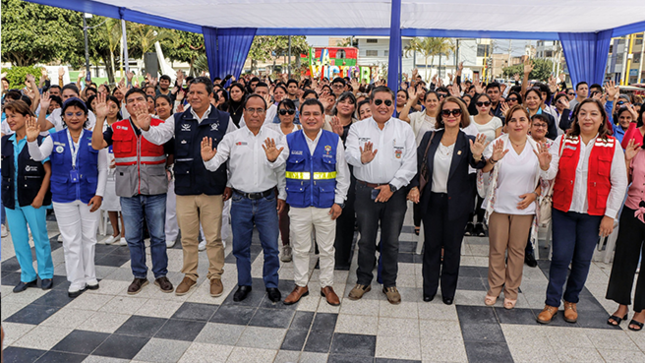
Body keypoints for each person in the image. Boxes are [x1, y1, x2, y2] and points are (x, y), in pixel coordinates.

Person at [140, 77, 237, 298]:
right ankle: (190, 275)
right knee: (188, 237)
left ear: (210, 96)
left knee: (213, 238)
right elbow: (159, 136)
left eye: (199, 93)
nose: (194, 96)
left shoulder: (223, 119)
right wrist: (146, 127)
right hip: (185, 186)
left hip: (213, 186)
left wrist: (230, 182)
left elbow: (233, 153)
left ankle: (215, 276)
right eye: (191, 92)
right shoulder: (178, 118)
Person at [537, 99, 628, 324]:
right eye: (583, 113)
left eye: (593, 114)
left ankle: (571, 302)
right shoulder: (563, 140)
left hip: (594, 214)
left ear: (601, 118)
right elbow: (550, 176)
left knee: (582, 260)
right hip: (564, 209)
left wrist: (610, 215)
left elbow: (619, 183)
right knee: (559, 258)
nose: (588, 118)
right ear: (576, 116)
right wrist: (546, 165)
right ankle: (551, 303)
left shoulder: (612, 144)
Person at [201, 94, 285, 303]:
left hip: (267, 200)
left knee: (271, 248)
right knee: (240, 247)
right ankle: (244, 283)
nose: (255, 114)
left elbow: (281, 167)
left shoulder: (276, 136)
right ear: (244, 112)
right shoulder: (232, 138)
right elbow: (215, 163)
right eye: (251, 110)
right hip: (240, 201)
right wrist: (208, 160)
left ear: (266, 113)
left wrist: (274, 163)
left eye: (259, 110)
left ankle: (272, 284)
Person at [91, 90, 174, 295]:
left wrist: (166, 168)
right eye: (130, 101)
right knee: (134, 237)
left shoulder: (161, 126)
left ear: (149, 103)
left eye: (140, 100)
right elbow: (97, 144)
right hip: (127, 190)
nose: (135, 104)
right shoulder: (118, 127)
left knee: (158, 236)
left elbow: (171, 152)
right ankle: (139, 275)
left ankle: (161, 274)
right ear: (125, 107)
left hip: (155, 188)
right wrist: (100, 119)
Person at [407, 96, 487, 304]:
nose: (451, 115)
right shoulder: (429, 137)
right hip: (431, 200)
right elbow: (416, 164)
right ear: (441, 116)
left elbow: (478, 164)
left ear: (462, 115)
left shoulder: (468, 140)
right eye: (446, 112)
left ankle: (449, 291)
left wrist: (477, 156)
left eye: (455, 112)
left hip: (457, 204)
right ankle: (429, 287)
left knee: (452, 248)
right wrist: (414, 186)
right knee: (431, 246)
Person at [27, 97, 107, 297]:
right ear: (62, 117)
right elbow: (37, 157)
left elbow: (103, 168)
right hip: (63, 195)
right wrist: (31, 141)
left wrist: (99, 194)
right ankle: (76, 279)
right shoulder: (54, 138)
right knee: (71, 240)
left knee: (89, 237)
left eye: (79, 113)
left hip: (89, 194)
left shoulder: (94, 136)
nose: (74, 117)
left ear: (86, 116)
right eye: (69, 114)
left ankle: (90, 275)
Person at [345, 86, 416, 305]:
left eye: (388, 102)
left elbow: (411, 163)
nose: (383, 106)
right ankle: (363, 280)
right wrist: (362, 159)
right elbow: (349, 153)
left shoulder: (404, 129)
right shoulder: (358, 128)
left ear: (394, 105)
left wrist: (392, 187)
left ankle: (389, 283)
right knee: (365, 240)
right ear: (371, 103)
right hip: (366, 191)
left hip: (394, 194)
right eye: (378, 102)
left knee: (391, 241)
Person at [281, 98, 350, 306]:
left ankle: (326, 285)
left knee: (327, 249)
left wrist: (339, 202)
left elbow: (343, 176)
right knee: (300, 248)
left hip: (326, 205)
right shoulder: (289, 140)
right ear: (299, 117)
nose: (311, 118)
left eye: (316, 114)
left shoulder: (334, 140)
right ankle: (301, 285)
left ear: (323, 117)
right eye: (306, 114)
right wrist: (283, 198)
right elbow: (282, 174)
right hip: (298, 205)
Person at [481, 106, 550, 309]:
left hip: (524, 207)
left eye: (522, 119)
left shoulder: (538, 148)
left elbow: (547, 179)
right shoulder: (497, 143)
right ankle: (494, 288)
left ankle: (511, 290)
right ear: (507, 124)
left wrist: (534, 194)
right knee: (496, 249)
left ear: (529, 123)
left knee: (517, 251)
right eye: (513, 120)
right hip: (499, 205)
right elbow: (483, 171)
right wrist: (493, 159)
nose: (518, 124)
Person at [2, 101, 53, 292]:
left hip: (33, 199)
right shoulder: (4, 142)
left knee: (40, 238)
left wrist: (40, 196)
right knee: (19, 240)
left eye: (14, 115)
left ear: (27, 117)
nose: (10, 120)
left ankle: (46, 273)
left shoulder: (40, 140)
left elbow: (47, 171)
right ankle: (27, 275)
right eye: (7, 116)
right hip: (11, 200)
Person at [606, 137, 645, 331]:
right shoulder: (637, 150)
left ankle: (642, 310)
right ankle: (622, 306)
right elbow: (623, 182)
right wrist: (627, 159)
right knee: (624, 259)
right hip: (632, 210)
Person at [264, 99, 301, 262]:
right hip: (276, 176)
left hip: (298, 177)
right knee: (282, 211)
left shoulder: (301, 129)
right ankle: (286, 245)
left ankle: (301, 245)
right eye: (283, 112)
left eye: (290, 111)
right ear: (278, 114)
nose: (287, 115)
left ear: (295, 113)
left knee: (299, 213)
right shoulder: (270, 129)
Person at [328, 92, 358, 270]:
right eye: (343, 101)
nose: (346, 105)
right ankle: (325, 253)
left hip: (351, 174)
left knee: (346, 216)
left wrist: (341, 137)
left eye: (350, 102)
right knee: (327, 216)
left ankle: (342, 257)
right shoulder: (326, 122)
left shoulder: (358, 127)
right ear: (337, 104)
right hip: (327, 175)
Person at [466, 93, 503, 236]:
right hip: (471, 160)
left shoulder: (496, 121)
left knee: (484, 192)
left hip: (488, 161)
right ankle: (469, 222)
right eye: (480, 104)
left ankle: (480, 222)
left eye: (486, 103)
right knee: (470, 192)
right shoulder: (469, 120)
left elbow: (498, 141)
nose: (483, 106)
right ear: (475, 106)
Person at [524, 114, 555, 267]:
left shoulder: (553, 145)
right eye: (536, 124)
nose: (540, 128)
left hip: (544, 189)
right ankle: (520, 249)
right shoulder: (523, 143)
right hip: (523, 186)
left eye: (543, 125)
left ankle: (527, 249)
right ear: (530, 127)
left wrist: (537, 192)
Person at [99, 95, 126, 246]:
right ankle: (114, 232)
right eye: (108, 107)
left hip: (120, 165)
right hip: (104, 165)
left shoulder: (122, 125)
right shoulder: (99, 125)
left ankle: (124, 233)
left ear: (119, 108)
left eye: (114, 107)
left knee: (121, 203)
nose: (110, 110)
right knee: (109, 200)